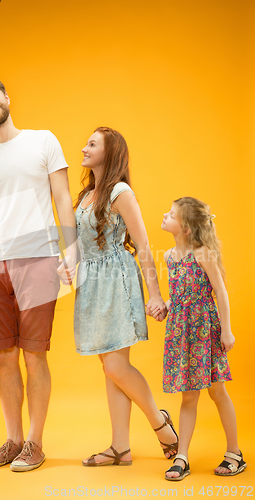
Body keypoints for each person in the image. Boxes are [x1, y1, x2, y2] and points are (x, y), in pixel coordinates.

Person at [0, 75, 76, 472]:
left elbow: (63, 198)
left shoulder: (42, 140)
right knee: (3, 357)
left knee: (34, 353)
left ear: (6, 97)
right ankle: (12, 441)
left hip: (39, 259)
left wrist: (71, 249)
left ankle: (35, 443)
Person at [74, 126, 179, 466]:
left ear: (110, 151)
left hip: (117, 280)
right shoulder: (87, 194)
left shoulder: (120, 191)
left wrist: (155, 294)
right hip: (91, 283)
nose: (84, 148)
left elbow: (144, 245)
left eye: (92, 144)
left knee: (117, 365)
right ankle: (120, 447)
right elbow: (83, 242)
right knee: (110, 366)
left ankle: (161, 424)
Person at [155, 196, 247, 480]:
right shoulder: (170, 257)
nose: (165, 215)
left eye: (171, 214)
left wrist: (226, 330)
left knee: (217, 391)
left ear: (184, 229)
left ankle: (234, 452)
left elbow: (219, 292)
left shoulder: (202, 253)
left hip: (205, 330)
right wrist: (167, 306)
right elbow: (181, 294)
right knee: (189, 396)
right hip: (181, 333)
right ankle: (182, 456)